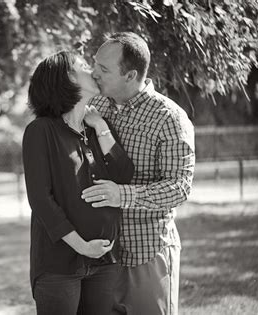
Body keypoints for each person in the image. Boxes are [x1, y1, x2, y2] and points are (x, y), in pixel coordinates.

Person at [81, 32, 196, 315]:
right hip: (101, 255)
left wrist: (122, 195)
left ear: (130, 75)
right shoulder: (96, 107)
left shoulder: (169, 118)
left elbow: (179, 187)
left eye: (104, 69)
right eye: (95, 64)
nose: (94, 73)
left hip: (147, 252)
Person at [22, 50, 134, 315]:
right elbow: (40, 199)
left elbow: (123, 175)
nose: (93, 70)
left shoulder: (97, 128)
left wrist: (100, 127)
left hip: (106, 260)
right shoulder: (41, 131)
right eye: (83, 66)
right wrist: (82, 246)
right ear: (65, 79)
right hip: (58, 266)